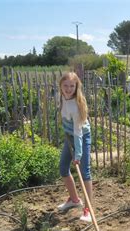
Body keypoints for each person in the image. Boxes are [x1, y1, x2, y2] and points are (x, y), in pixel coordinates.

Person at [56, 72, 93, 222]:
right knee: (63, 168)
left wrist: (78, 155)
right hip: (69, 136)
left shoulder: (76, 106)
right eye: (65, 85)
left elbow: (78, 132)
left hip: (81, 138)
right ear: (60, 86)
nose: (68, 88)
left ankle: (88, 210)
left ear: (76, 86)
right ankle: (74, 200)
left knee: (85, 172)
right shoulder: (61, 97)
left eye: (72, 86)